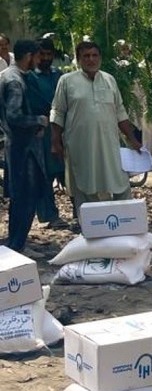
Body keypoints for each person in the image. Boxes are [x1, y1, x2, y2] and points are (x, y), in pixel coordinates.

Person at [50, 40, 141, 215]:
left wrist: (133, 139)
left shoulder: (109, 80)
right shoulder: (67, 81)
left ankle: (125, 223)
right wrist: (55, 142)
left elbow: (120, 112)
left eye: (94, 55)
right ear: (78, 59)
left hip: (110, 144)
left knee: (120, 182)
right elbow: (58, 112)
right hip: (81, 145)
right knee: (85, 185)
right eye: (86, 56)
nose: (91, 60)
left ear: (100, 58)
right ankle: (91, 228)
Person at [1, 40, 48, 255]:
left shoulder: (14, 77)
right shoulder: (14, 80)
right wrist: (39, 120)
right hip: (23, 148)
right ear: (29, 55)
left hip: (20, 146)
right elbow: (14, 115)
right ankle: (17, 245)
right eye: (37, 56)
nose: (39, 61)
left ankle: (17, 243)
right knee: (25, 197)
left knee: (22, 196)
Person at [25, 37, 64, 226]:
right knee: (45, 174)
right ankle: (49, 215)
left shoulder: (59, 75)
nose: (46, 58)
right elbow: (35, 103)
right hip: (42, 130)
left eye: (49, 54)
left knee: (67, 171)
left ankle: (80, 212)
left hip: (62, 128)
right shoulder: (29, 77)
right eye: (42, 54)